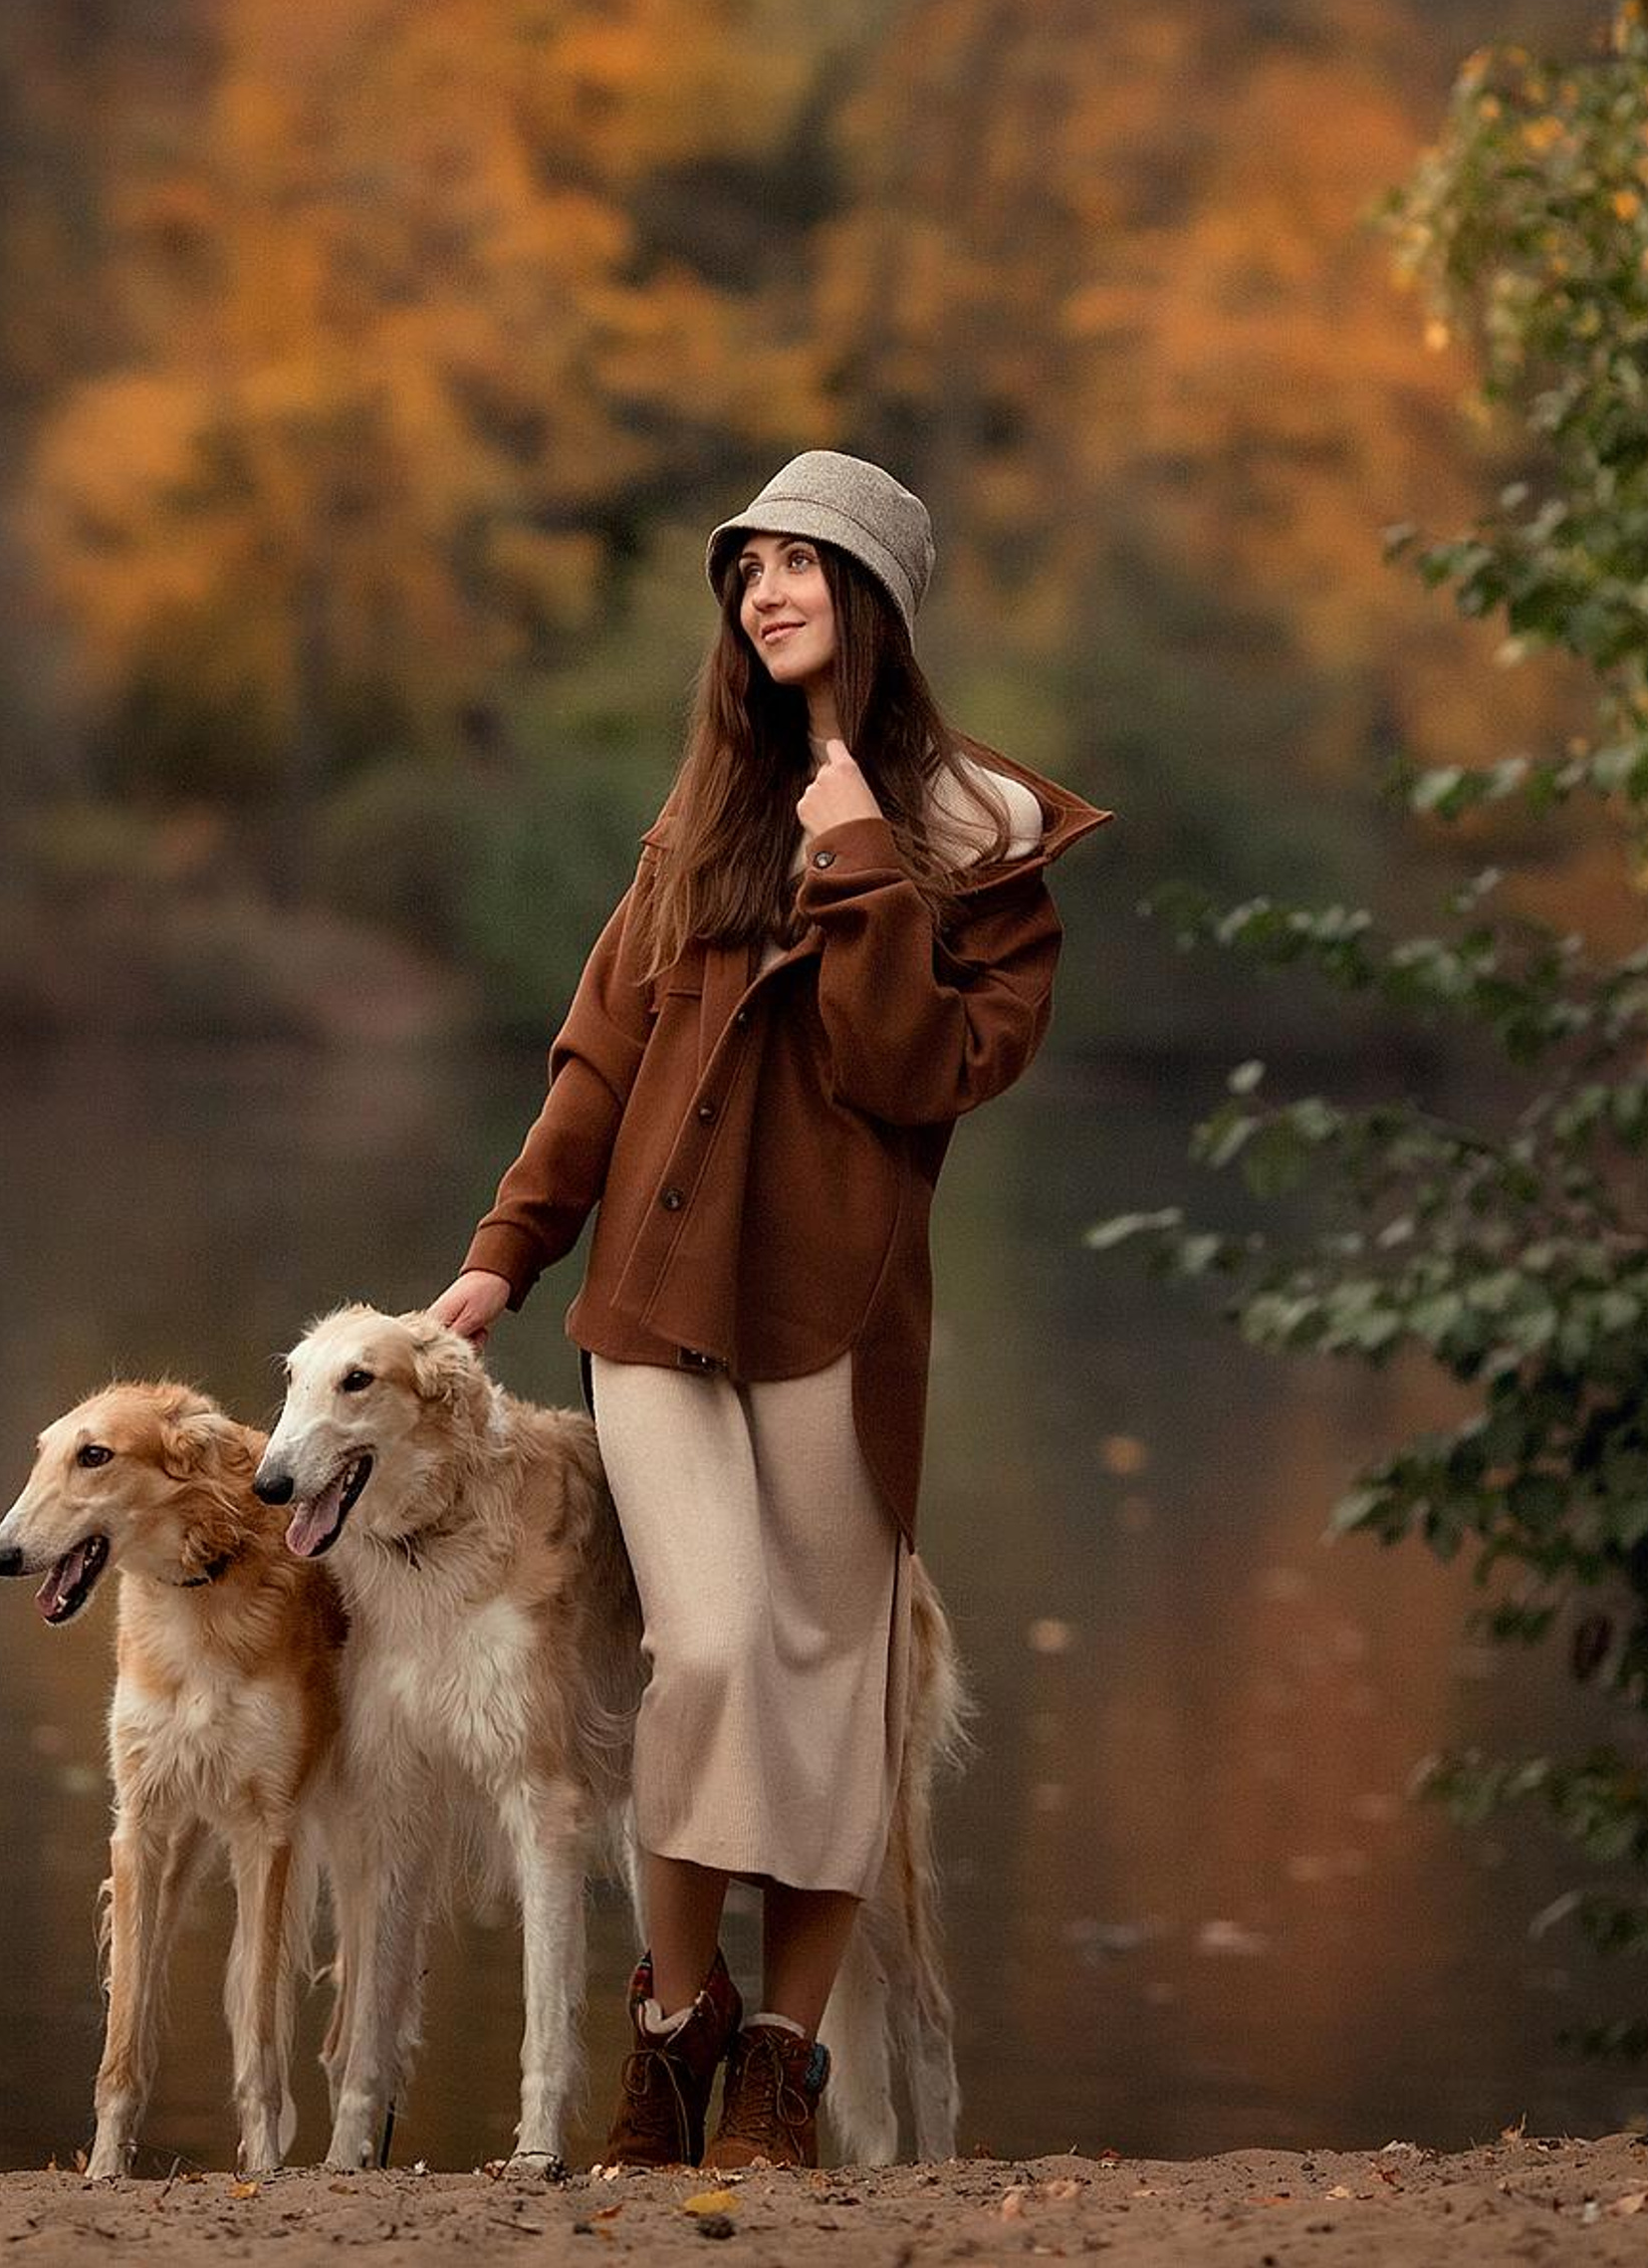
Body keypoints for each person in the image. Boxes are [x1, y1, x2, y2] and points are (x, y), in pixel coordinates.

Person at [427, 449, 1116, 2170]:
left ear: (873, 601)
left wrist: (872, 862)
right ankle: (672, 2027)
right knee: (717, 1650)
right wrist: (506, 1253)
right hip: (655, 1299)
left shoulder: (982, 850)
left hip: (840, 1320)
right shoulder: (701, 821)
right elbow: (601, 1059)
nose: (770, 591)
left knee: (830, 1680)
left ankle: (780, 2067)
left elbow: (919, 1072)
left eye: (806, 564)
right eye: (749, 569)